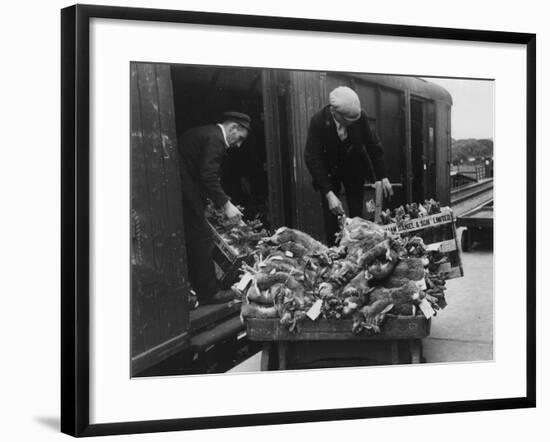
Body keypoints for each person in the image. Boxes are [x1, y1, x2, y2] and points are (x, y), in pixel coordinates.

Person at [177, 111, 251, 305]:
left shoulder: (208, 134)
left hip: (185, 190)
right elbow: (208, 175)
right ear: (233, 127)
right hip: (186, 191)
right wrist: (226, 205)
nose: (239, 144)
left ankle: (196, 287)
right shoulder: (216, 140)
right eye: (240, 138)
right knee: (202, 238)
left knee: (195, 238)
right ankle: (209, 293)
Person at [304, 86, 393, 245]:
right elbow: (312, 158)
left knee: (357, 214)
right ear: (334, 112)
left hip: (353, 168)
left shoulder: (360, 118)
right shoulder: (317, 121)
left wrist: (383, 176)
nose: (352, 124)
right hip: (328, 172)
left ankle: (360, 248)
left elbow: (373, 146)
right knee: (332, 216)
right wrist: (329, 193)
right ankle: (335, 251)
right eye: (347, 120)